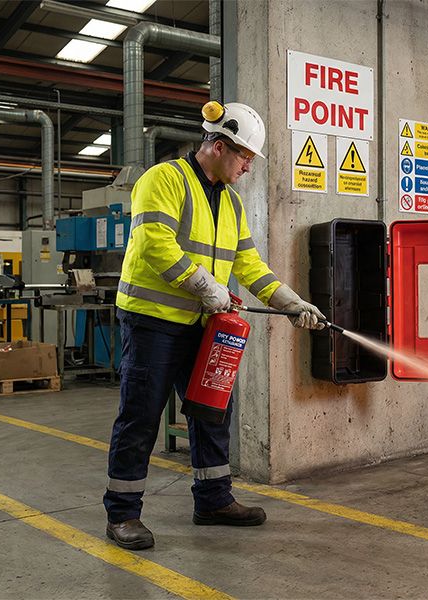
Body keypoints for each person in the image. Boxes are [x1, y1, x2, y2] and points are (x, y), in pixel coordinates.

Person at [104, 101, 325, 550]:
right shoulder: (163, 180)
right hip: (152, 322)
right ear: (219, 146)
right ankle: (123, 515)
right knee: (141, 416)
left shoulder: (232, 203)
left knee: (210, 412)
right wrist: (206, 286)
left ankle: (213, 500)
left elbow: (248, 264)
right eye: (244, 157)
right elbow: (155, 245)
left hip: (202, 324)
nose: (247, 167)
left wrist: (289, 301)